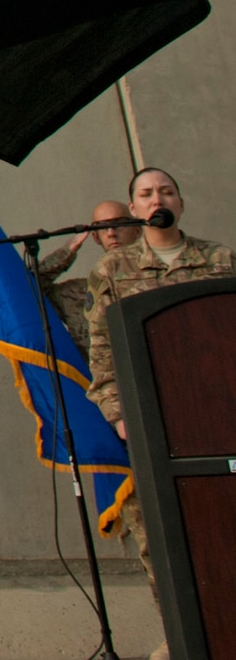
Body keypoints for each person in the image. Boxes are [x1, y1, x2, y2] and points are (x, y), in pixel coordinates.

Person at [85, 165, 233, 596]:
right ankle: (179, 636)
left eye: (167, 192)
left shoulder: (221, 260)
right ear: (133, 209)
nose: (158, 200)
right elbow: (102, 349)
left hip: (217, 415)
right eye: (147, 194)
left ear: (180, 204)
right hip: (153, 417)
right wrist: (119, 415)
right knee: (163, 534)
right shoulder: (113, 269)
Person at [34, 199, 131, 355]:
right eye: (103, 227)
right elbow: (26, 288)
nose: (111, 233)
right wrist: (65, 253)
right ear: (96, 237)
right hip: (100, 378)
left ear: (138, 230)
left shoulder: (158, 279)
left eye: (119, 224)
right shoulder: (76, 293)